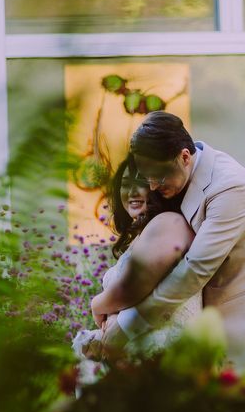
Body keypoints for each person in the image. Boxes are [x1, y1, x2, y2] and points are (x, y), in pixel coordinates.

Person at [95, 111, 245, 372]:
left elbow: (195, 269)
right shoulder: (184, 181)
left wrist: (128, 325)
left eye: (158, 177)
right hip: (225, 347)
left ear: (184, 157)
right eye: (146, 177)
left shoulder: (230, 188)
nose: (151, 187)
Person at [69, 154, 200, 381]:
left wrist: (97, 306)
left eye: (140, 183)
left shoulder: (171, 222)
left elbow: (132, 289)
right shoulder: (142, 235)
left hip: (164, 360)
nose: (131, 192)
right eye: (126, 185)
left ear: (157, 185)